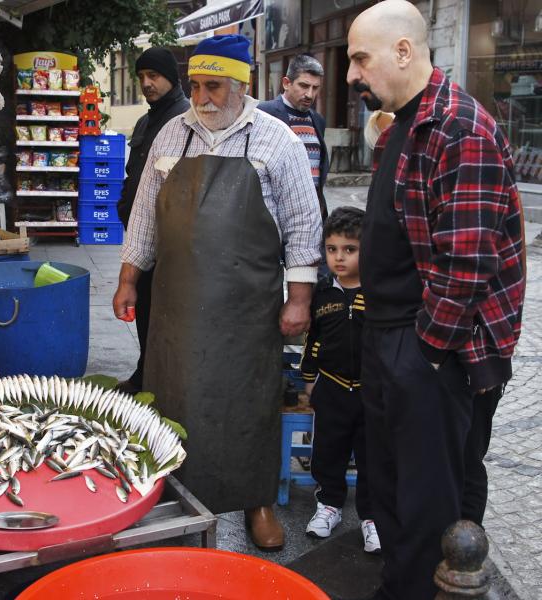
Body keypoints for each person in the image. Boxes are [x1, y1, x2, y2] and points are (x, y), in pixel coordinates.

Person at [113, 34, 322, 552]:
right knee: (175, 398)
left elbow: (302, 225)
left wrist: (298, 299)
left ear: (242, 85)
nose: (202, 97)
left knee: (249, 403)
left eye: (214, 85)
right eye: (196, 85)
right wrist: (127, 278)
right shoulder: (170, 137)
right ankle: (174, 497)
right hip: (177, 304)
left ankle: (257, 501)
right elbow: (143, 216)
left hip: (248, 309)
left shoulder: (277, 141)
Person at [346, 2, 525, 598]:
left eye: (359, 58)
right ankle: (400, 584)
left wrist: (424, 351)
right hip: (391, 336)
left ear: (403, 51)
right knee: (389, 485)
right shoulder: (401, 125)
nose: (352, 75)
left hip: (432, 346)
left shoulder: (460, 128)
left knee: (430, 499)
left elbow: (467, 267)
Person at [300, 206, 380, 554]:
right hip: (331, 387)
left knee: (372, 456)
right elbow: (314, 340)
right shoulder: (323, 295)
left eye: (349, 249)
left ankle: (372, 518)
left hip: (371, 391)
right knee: (328, 451)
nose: (339, 258)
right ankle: (329, 504)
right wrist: (308, 378)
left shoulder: (378, 296)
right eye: (332, 250)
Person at [115, 47, 190, 395]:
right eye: (142, 77)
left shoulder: (184, 119)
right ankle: (146, 373)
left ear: (172, 79)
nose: (146, 83)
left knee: (167, 313)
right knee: (143, 308)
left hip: (172, 239)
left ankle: (164, 379)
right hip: (141, 234)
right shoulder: (147, 120)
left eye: (154, 76)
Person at [258, 54, 329, 220]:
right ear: (286, 83)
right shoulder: (263, 113)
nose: (310, 94)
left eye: (315, 87)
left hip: (312, 213)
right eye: (304, 86)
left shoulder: (318, 120)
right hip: (274, 213)